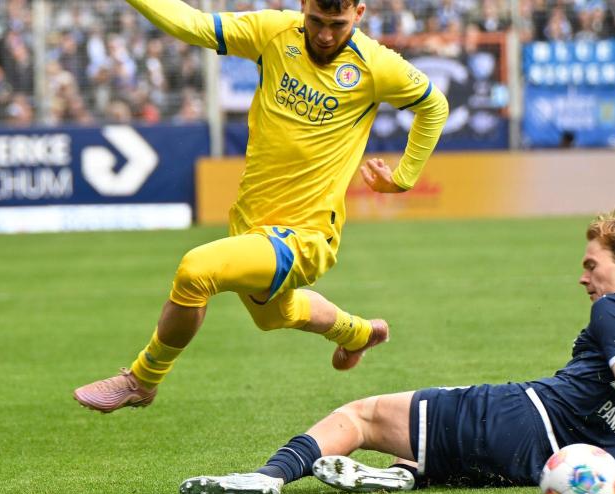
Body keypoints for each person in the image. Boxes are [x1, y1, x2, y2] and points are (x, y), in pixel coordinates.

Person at [177, 213, 615, 494]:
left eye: (592, 264)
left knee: (359, 415)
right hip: (560, 465)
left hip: (524, 421)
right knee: (436, 449)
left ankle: (264, 478)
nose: (586, 279)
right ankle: (403, 475)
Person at [73, 0, 449, 413]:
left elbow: (434, 105)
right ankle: (356, 333)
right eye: (317, 21)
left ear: (358, 15)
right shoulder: (273, 33)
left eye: (337, 25)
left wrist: (403, 178)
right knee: (275, 314)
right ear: (303, 6)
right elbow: (194, 25)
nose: (325, 35)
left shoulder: (376, 65)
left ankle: (142, 379)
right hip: (252, 220)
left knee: (196, 271)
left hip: (306, 237)